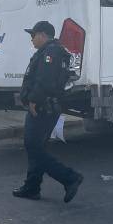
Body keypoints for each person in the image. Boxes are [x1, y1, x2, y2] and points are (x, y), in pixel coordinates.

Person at [13, 20, 84, 203]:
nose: (31, 40)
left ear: (42, 35)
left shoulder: (50, 52)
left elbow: (45, 81)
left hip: (42, 107)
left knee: (33, 147)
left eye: (33, 35)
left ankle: (69, 177)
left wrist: (34, 101)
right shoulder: (50, 51)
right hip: (46, 106)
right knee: (36, 147)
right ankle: (32, 187)